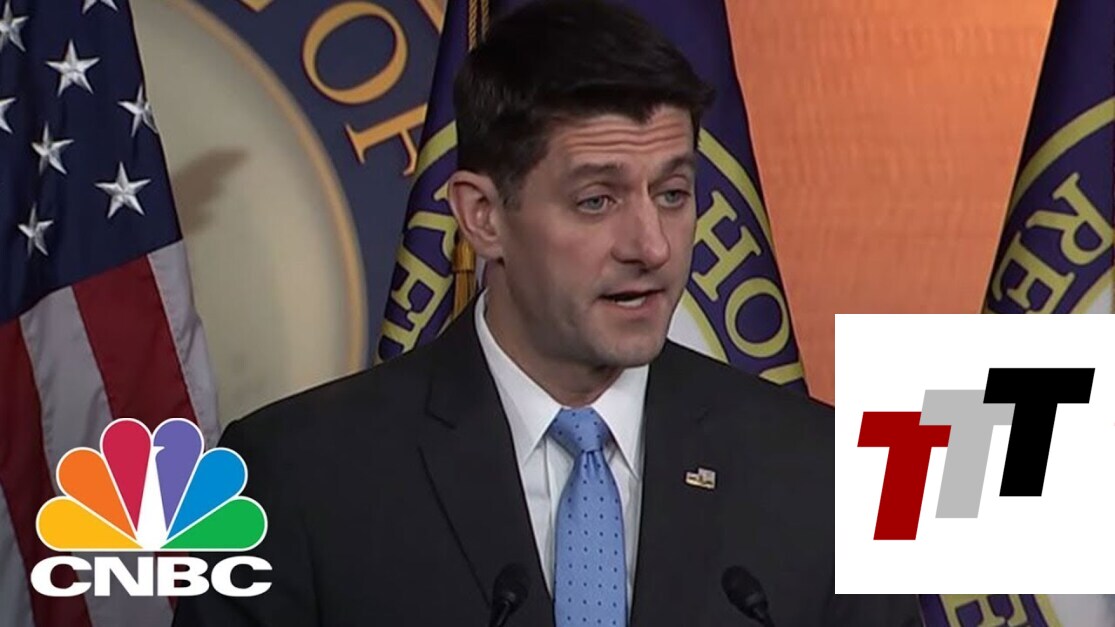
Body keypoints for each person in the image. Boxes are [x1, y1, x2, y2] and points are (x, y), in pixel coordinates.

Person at [174, 0, 921, 625]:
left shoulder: (823, 475)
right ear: (483, 217)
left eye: (672, 194)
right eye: (596, 200)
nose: (652, 246)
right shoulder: (295, 478)